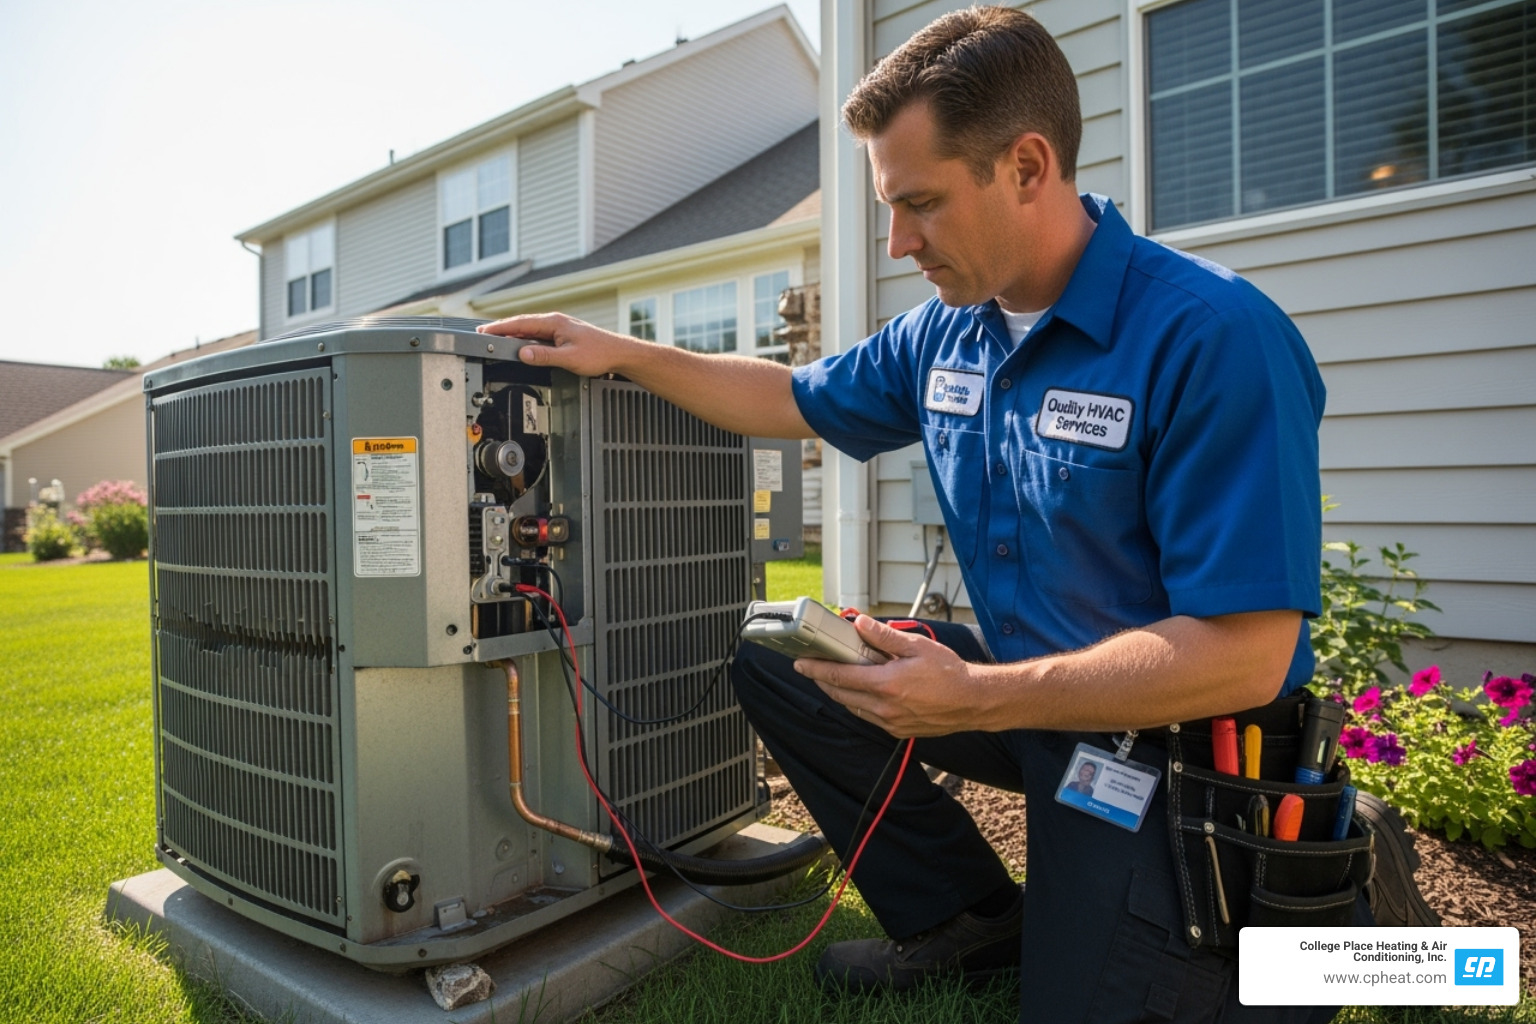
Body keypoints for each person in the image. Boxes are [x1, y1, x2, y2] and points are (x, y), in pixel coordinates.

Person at [480, 8, 1435, 1020]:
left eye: (922, 203)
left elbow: (1245, 653)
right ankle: (970, 920)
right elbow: (791, 396)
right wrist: (622, 349)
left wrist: (977, 698)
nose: (898, 243)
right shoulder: (947, 333)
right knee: (781, 653)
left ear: (1027, 167)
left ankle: (1355, 899)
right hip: (1028, 700)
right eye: (891, 207)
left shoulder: (1211, 336)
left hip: (1177, 749)